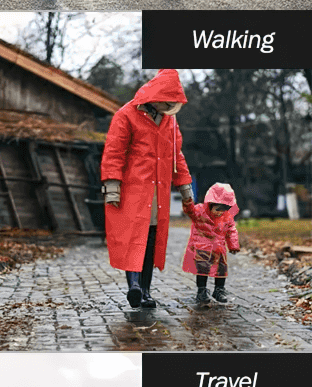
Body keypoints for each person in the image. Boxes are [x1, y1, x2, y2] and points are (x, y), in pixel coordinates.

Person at [100, 69, 194, 309]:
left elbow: (177, 157)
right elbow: (114, 152)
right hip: (133, 191)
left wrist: (185, 188)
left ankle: (146, 290)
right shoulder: (126, 115)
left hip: (158, 193)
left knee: (151, 241)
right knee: (134, 238)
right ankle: (134, 287)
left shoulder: (170, 123)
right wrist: (112, 187)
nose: (170, 107)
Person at [182, 182, 240, 305]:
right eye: (218, 209)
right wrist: (187, 200)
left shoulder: (227, 217)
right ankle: (201, 290)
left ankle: (219, 289)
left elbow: (231, 230)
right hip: (201, 248)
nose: (219, 213)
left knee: (221, 270)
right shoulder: (199, 211)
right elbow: (189, 210)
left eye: (223, 210)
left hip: (218, 248)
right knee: (202, 270)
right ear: (211, 204)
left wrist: (233, 245)